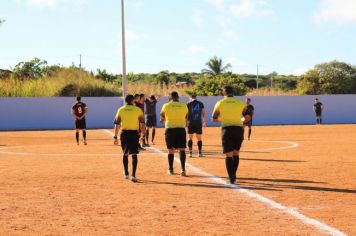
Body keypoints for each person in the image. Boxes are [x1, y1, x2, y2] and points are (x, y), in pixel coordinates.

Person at [212, 86, 250, 184]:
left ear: (224, 93)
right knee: (236, 153)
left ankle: (231, 178)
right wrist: (240, 120)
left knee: (229, 154)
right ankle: (234, 176)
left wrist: (223, 119)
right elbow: (247, 118)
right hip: (238, 129)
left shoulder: (220, 103)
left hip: (227, 130)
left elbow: (214, 119)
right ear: (233, 92)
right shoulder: (240, 103)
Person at [113, 94, 144, 183]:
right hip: (134, 134)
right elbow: (142, 124)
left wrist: (115, 136)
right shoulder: (138, 110)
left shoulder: (121, 109)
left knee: (125, 153)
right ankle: (133, 175)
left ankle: (126, 173)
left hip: (125, 134)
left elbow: (117, 124)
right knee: (134, 154)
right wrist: (142, 135)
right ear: (132, 101)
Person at [160, 91, 189, 176]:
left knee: (170, 150)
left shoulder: (166, 105)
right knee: (182, 149)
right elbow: (186, 117)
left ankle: (171, 169)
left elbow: (161, 118)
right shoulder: (184, 105)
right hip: (181, 129)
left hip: (170, 129)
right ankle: (183, 169)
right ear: (178, 97)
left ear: (170, 97)